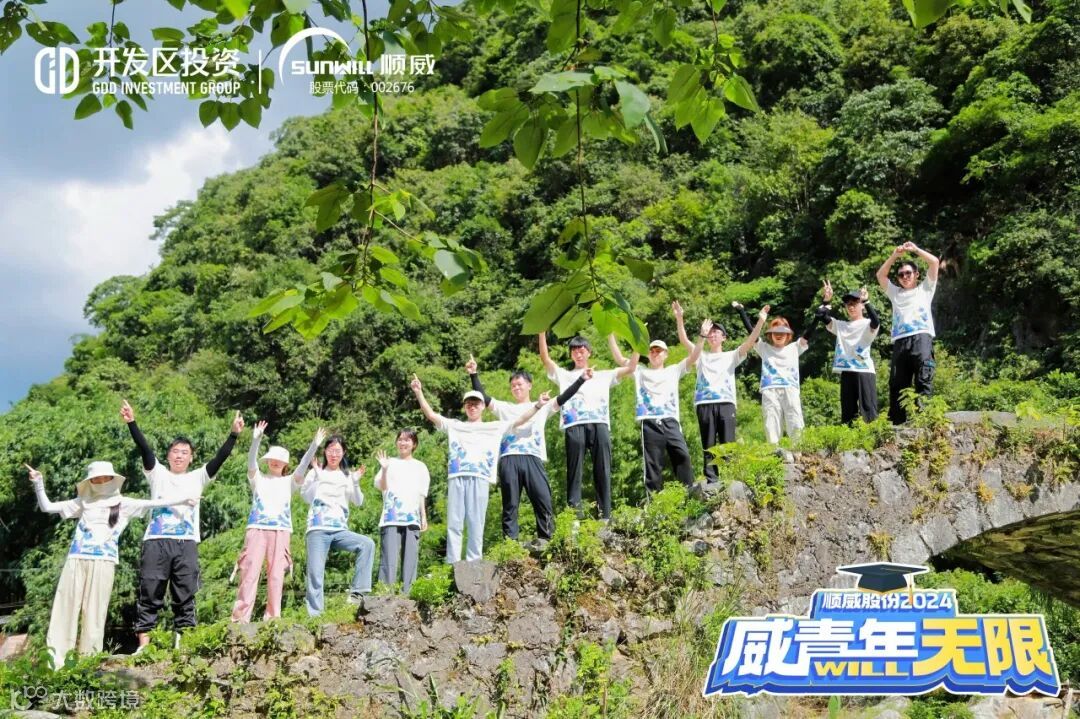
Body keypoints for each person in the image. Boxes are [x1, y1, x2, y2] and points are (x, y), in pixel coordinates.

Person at [27, 462, 195, 668]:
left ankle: (87, 663)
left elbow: (155, 503)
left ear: (112, 479)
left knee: (95, 614)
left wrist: (184, 499)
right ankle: (55, 661)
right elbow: (48, 507)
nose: (100, 481)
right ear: (90, 481)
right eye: (95, 478)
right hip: (76, 559)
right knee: (65, 607)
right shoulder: (83, 501)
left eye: (104, 477)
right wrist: (39, 483)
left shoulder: (124, 503)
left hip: (104, 562)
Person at [121, 400, 243, 652]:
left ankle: (182, 642)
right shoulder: (157, 473)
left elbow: (219, 459)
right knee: (150, 590)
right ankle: (144, 645)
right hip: (156, 541)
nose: (179, 455)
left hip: (186, 543)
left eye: (184, 452)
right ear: (168, 456)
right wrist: (132, 422)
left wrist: (233, 435)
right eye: (175, 451)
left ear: (191, 457)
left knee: (185, 593)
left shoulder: (198, 477)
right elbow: (144, 449)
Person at [410, 374, 559, 562]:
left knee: (476, 522)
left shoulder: (493, 427)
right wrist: (419, 392)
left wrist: (537, 405)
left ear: (482, 406)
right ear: (465, 407)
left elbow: (520, 420)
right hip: (457, 476)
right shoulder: (455, 425)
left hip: (480, 478)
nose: (472, 407)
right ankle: (452, 563)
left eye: (476, 404)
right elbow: (431, 415)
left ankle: (474, 562)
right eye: (469, 404)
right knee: (454, 522)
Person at [465, 356, 591, 547]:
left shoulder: (543, 405)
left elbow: (564, 396)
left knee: (543, 498)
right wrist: (474, 374)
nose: (516, 388)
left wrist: (581, 379)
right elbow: (483, 396)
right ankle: (510, 545)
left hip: (533, 457)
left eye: (520, 384)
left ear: (529, 385)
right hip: (509, 458)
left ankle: (547, 539)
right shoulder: (504, 408)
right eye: (513, 385)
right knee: (510, 504)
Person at [230, 422, 324, 623]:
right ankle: (240, 619)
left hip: (281, 530)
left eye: (279, 460)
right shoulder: (258, 478)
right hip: (257, 528)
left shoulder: (290, 481)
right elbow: (251, 462)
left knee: (276, 576)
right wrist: (256, 439)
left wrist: (314, 446)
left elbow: (302, 466)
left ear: (285, 464)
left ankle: (273, 618)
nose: (275, 462)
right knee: (249, 572)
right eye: (272, 459)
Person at [538, 334, 638, 519]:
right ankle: (575, 517)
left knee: (603, 469)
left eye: (582, 350)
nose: (578, 354)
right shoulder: (565, 375)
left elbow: (631, 367)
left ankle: (604, 515)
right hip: (574, 424)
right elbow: (545, 359)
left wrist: (638, 343)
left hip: (600, 423)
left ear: (589, 353)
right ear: (571, 355)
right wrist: (541, 333)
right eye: (574, 351)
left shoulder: (603, 375)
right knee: (574, 471)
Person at [609, 319, 706, 493]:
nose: (655, 354)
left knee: (682, 456)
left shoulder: (673, 370)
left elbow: (694, 357)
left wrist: (702, 337)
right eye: (652, 351)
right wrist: (611, 335)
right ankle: (654, 502)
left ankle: (689, 493)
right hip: (649, 422)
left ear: (666, 354)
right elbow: (619, 358)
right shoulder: (640, 371)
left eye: (658, 351)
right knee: (652, 465)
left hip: (670, 420)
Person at [675, 301, 767, 482]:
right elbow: (684, 340)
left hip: (726, 402)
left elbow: (751, 341)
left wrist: (761, 321)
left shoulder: (731, 355)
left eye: (716, 332)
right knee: (708, 444)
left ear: (724, 337)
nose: (712, 335)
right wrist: (679, 318)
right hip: (704, 403)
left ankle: (731, 478)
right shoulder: (700, 355)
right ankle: (711, 480)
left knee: (728, 443)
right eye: (710, 332)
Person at [299, 434, 375, 615]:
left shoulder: (347, 476)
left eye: (338, 451)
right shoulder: (315, 472)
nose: (334, 454)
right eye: (331, 450)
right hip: (318, 528)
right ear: (325, 451)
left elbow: (358, 502)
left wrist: (355, 482)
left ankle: (357, 593)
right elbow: (306, 497)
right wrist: (317, 476)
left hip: (340, 530)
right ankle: (315, 615)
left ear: (344, 452)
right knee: (315, 573)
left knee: (367, 544)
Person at [734, 303, 827, 444]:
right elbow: (752, 334)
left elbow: (808, 334)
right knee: (771, 422)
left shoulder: (795, 347)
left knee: (795, 420)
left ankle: (799, 450)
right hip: (770, 389)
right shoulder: (764, 348)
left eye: (782, 332)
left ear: (788, 335)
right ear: (770, 335)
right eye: (776, 332)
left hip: (790, 388)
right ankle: (774, 452)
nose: (779, 335)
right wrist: (742, 311)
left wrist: (817, 317)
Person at [876, 241, 941, 424]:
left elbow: (934, 262)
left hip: (922, 337)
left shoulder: (925, 289)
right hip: (900, 340)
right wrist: (895, 255)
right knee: (897, 384)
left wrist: (916, 250)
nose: (905, 277)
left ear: (916, 275)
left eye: (908, 273)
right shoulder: (895, 293)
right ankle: (897, 425)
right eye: (901, 274)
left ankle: (925, 421)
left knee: (923, 379)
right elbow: (880, 275)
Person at [374, 430, 429, 593]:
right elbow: (382, 487)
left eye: (407, 440)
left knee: (410, 559)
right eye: (400, 439)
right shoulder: (389, 462)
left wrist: (423, 516)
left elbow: (421, 493)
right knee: (389, 559)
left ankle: (408, 594)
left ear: (414, 444)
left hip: (412, 518)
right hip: (391, 517)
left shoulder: (420, 466)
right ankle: (385, 594)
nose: (403, 443)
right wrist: (384, 469)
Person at [821, 282, 882, 424]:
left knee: (868, 411)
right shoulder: (841, 326)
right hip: (846, 370)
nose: (851, 306)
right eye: (848, 304)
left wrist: (866, 301)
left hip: (864, 370)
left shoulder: (867, 323)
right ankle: (850, 437)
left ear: (861, 305)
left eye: (855, 303)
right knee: (848, 413)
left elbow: (876, 322)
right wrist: (826, 300)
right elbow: (822, 316)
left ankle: (873, 436)